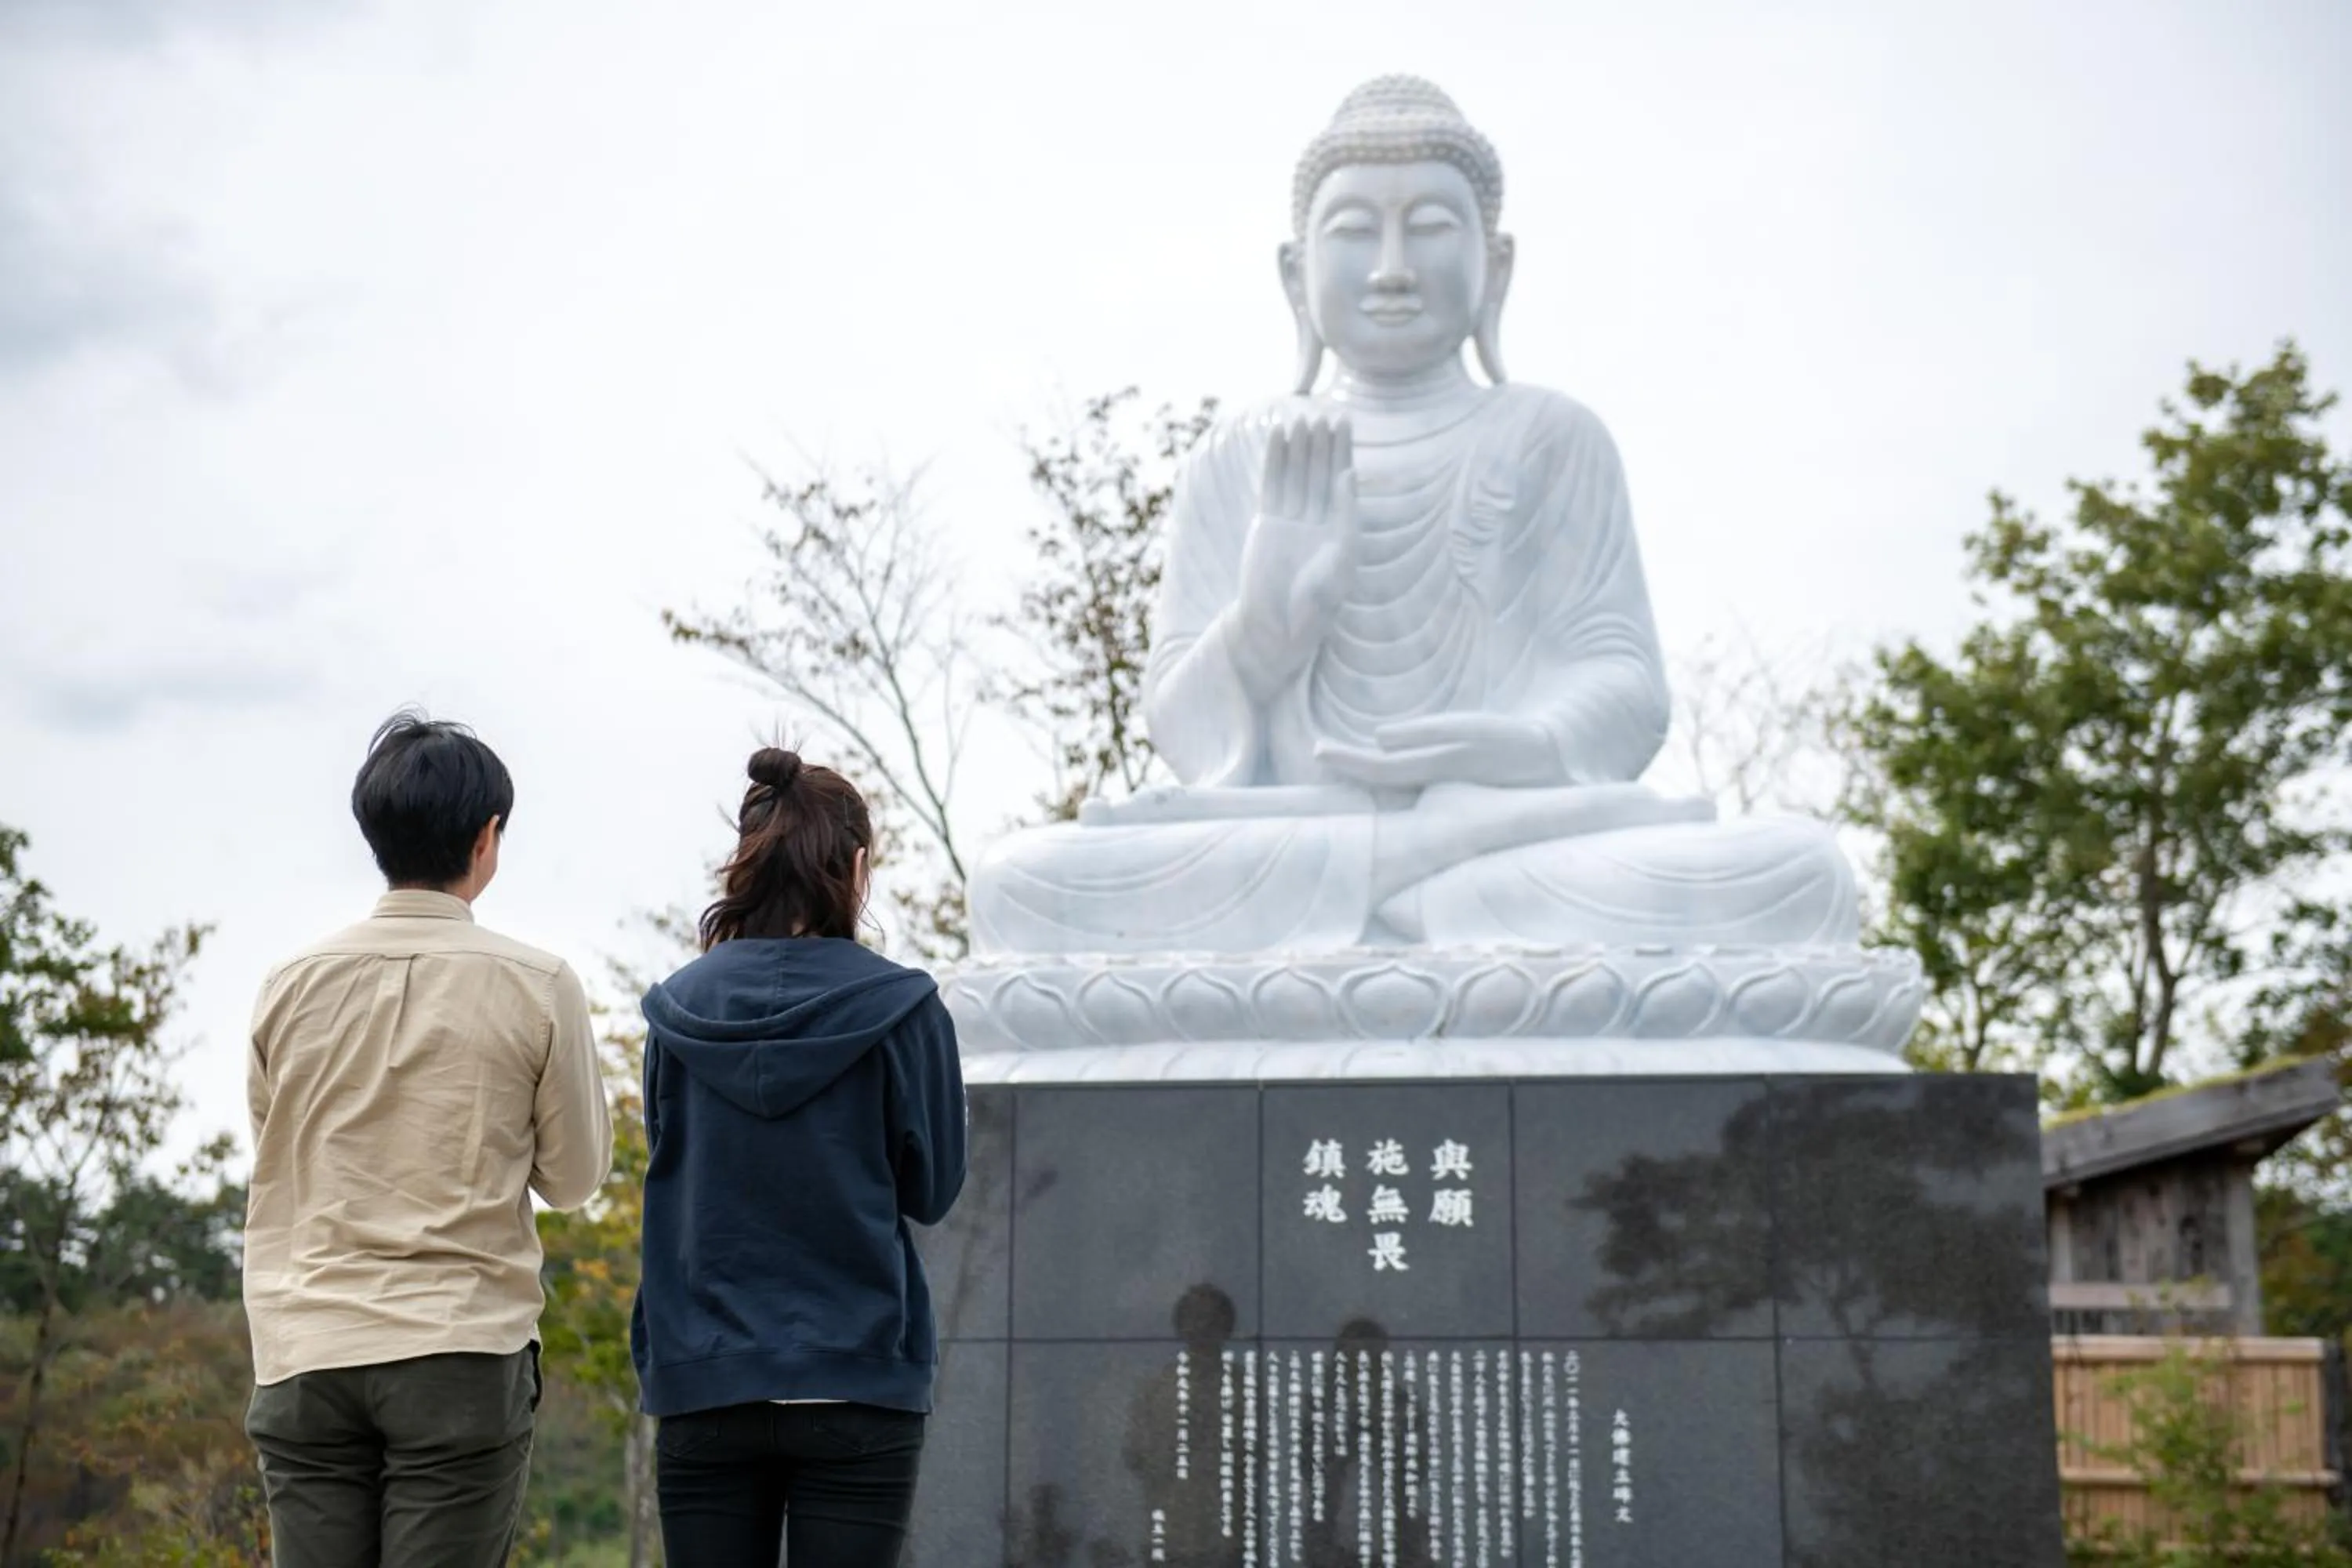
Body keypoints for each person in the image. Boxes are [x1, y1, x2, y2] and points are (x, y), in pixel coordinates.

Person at [243, 710, 613, 1567]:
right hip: (459, 1347)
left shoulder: (286, 985)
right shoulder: (539, 984)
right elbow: (574, 1178)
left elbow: (275, 1150)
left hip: (307, 1347)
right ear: (488, 837)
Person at [632, 746, 967, 1566]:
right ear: (854, 866)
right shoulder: (905, 1007)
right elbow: (934, 1187)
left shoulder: (676, 1011)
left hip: (704, 1372)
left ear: (748, 863)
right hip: (857, 1374)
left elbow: (670, 1157)